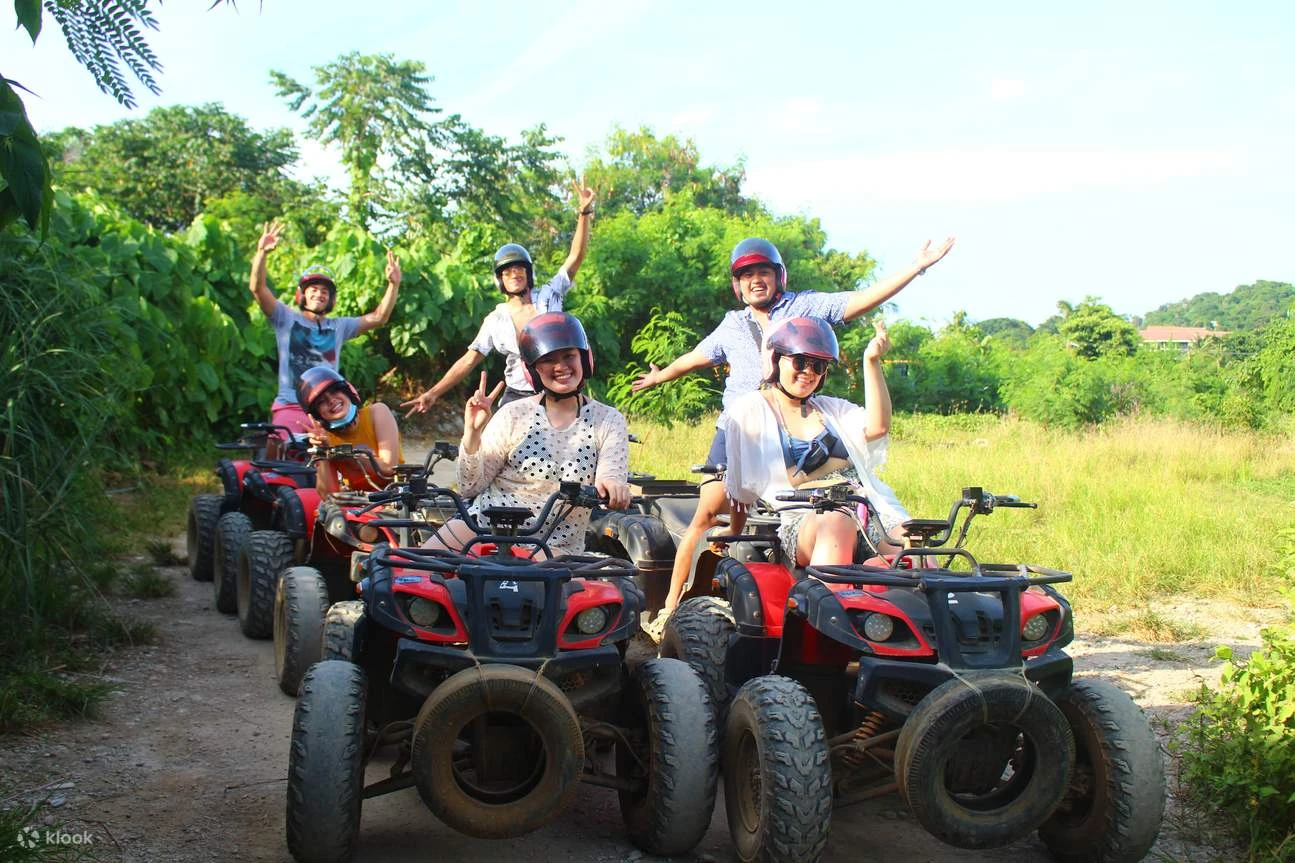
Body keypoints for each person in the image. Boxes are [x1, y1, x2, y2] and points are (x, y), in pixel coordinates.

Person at [634, 236, 953, 613]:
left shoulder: (805, 309)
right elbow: (695, 357)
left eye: (763, 272)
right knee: (708, 515)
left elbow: (860, 299)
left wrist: (916, 267)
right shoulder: (733, 326)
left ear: (779, 277)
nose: (756, 280)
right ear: (737, 285)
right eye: (746, 275)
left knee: (912, 549)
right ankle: (671, 607)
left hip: (803, 427)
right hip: (743, 430)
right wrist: (660, 377)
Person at [424, 312, 631, 559]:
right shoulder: (513, 414)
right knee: (411, 575)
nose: (561, 366)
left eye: (569, 356)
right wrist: (472, 433)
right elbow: (469, 487)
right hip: (485, 528)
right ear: (533, 368)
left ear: (585, 359)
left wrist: (613, 487)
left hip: (553, 545)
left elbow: (611, 473)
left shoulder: (607, 420)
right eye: (548, 359)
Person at [723, 316, 908, 568]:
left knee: (913, 544)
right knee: (836, 522)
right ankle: (830, 600)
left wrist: (871, 361)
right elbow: (741, 487)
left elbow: (878, 427)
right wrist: (734, 530)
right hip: (806, 519)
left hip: (868, 512)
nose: (808, 372)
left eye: (818, 365)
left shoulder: (832, 409)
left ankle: (894, 600)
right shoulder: (750, 409)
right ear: (776, 360)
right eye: (800, 361)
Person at [402, 183, 596, 415]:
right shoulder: (496, 319)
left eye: (519, 269)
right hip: (517, 395)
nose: (515, 274)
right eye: (507, 272)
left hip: (558, 388)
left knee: (589, 432)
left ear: (528, 273)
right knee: (493, 447)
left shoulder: (548, 296)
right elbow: (468, 360)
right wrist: (432, 393)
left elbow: (575, 258)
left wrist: (584, 213)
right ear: (500, 280)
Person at [250, 220, 401, 434]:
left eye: (324, 291)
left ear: (331, 300)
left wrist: (393, 285)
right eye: (313, 289)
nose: (318, 294)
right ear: (302, 295)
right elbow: (257, 288)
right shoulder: (286, 319)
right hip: (291, 405)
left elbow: (379, 317)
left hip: (327, 410)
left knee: (339, 455)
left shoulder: (338, 327)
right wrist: (261, 253)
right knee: (285, 450)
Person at [297, 367, 403, 494]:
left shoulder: (377, 412)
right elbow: (329, 495)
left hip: (396, 496)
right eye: (321, 402)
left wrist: (341, 453)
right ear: (318, 415)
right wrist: (323, 452)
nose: (331, 401)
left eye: (334, 392)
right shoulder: (325, 439)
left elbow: (389, 469)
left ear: (347, 392)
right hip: (358, 502)